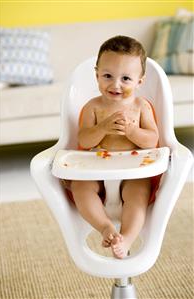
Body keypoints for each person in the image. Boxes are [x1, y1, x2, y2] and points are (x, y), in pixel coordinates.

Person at [69, 35, 159, 259]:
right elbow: (85, 140)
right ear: (97, 74)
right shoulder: (93, 107)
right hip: (97, 165)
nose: (115, 84)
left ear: (140, 81)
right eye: (107, 76)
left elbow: (152, 140)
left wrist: (132, 132)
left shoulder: (141, 107)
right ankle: (105, 227)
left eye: (126, 78)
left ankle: (127, 237)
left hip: (133, 167)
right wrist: (102, 129)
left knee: (138, 194)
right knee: (80, 187)